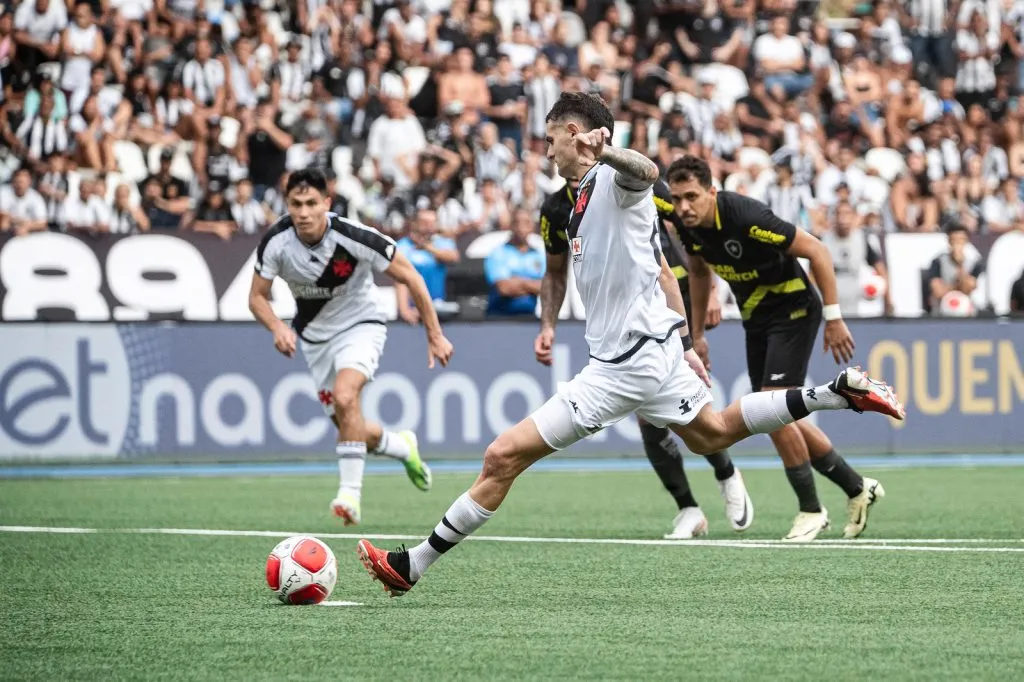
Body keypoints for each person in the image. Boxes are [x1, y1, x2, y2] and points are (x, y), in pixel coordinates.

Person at [357, 93, 904, 596]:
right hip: (657, 351)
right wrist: (685, 341)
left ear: (576, 134)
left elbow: (647, 171)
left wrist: (608, 150)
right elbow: (664, 272)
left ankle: (413, 566)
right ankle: (837, 393)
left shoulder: (612, 182)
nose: (546, 151)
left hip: (623, 365)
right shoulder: (574, 201)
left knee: (502, 456)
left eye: (551, 139)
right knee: (712, 434)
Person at [666, 154, 888, 543]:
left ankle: (810, 510)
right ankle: (856, 487)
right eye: (677, 198)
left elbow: (816, 249)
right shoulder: (688, 227)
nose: (683, 206)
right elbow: (700, 274)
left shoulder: (745, 216)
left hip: (795, 307)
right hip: (758, 316)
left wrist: (834, 318)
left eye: (691, 197)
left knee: (769, 404)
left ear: (711, 193)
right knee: (773, 413)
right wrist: (697, 334)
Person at [538, 171, 750, 540]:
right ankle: (689, 507)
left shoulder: (628, 182)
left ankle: (725, 472)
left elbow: (689, 222)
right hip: (627, 315)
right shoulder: (556, 209)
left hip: (672, 296)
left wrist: (709, 289)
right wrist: (548, 326)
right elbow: (555, 273)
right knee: (650, 417)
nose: (555, 152)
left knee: (689, 409)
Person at [249, 168, 453, 525]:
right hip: (314, 339)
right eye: (296, 204)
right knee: (346, 422)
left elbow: (411, 277)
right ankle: (401, 446)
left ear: (327, 203)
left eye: (312, 203)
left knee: (346, 397)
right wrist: (276, 327)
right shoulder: (276, 241)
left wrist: (434, 333)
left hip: (362, 325)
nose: (304, 212)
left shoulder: (355, 236)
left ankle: (350, 496)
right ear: (287, 205)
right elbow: (256, 298)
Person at [484, 208, 545, 316]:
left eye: (526, 222)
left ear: (532, 226)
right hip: (499, 319)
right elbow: (504, 288)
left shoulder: (539, 256)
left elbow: (546, 288)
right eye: (517, 222)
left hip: (530, 320)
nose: (521, 227)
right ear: (511, 225)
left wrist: (518, 282)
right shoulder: (498, 253)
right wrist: (531, 286)